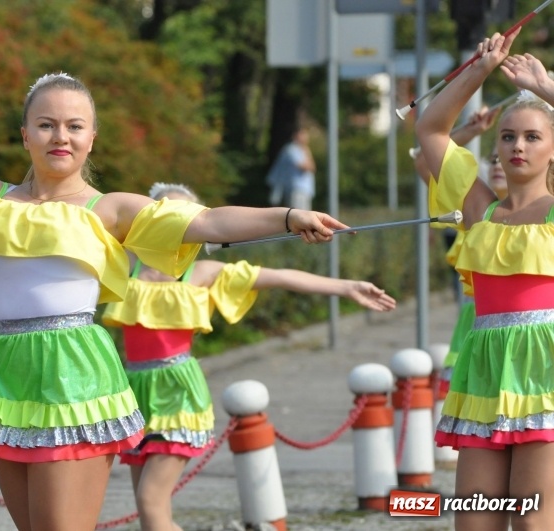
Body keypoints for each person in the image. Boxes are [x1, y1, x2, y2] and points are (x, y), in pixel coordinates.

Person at [0, 72, 350, 530]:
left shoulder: (111, 208)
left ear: (92, 137)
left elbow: (212, 223)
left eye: (75, 126)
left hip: (72, 371)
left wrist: (288, 216)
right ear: (25, 135)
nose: (61, 136)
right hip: (5, 370)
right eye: (46, 124)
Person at [100, 182, 396, 531]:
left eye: (185, 216)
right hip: (132, 390)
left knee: (151, 501)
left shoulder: (204, 273)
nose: (176, 223)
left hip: (176, 390)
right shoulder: (126, 264)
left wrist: (346, 286)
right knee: (152, 508)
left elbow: (281, 277)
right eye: (167, 215)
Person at [417, 29, 554, 529]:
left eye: (533, 136)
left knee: (533, 519)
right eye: (508, 136)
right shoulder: (479, 210)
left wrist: (543, 91)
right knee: (475, 520)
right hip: (484, 368)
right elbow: (430, 130)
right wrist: (480, 68)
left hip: (546, 369)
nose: (517, 146)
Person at [412, 106, 504, 393]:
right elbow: (424, 160)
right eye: (494, 158)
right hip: (474, 332)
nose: (499, 164)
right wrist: (473, 130)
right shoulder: (474, 207)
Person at [266, 126, 316, 209]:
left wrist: (306, 150)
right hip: (296, 190)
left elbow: (313, 167)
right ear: (296, 135)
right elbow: (306, 167)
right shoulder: (291, 149)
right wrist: (306, 151)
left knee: (305, 218)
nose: (306, 137)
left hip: (303, 190)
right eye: (303, 134)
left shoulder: (302, 150)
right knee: (298, 218)